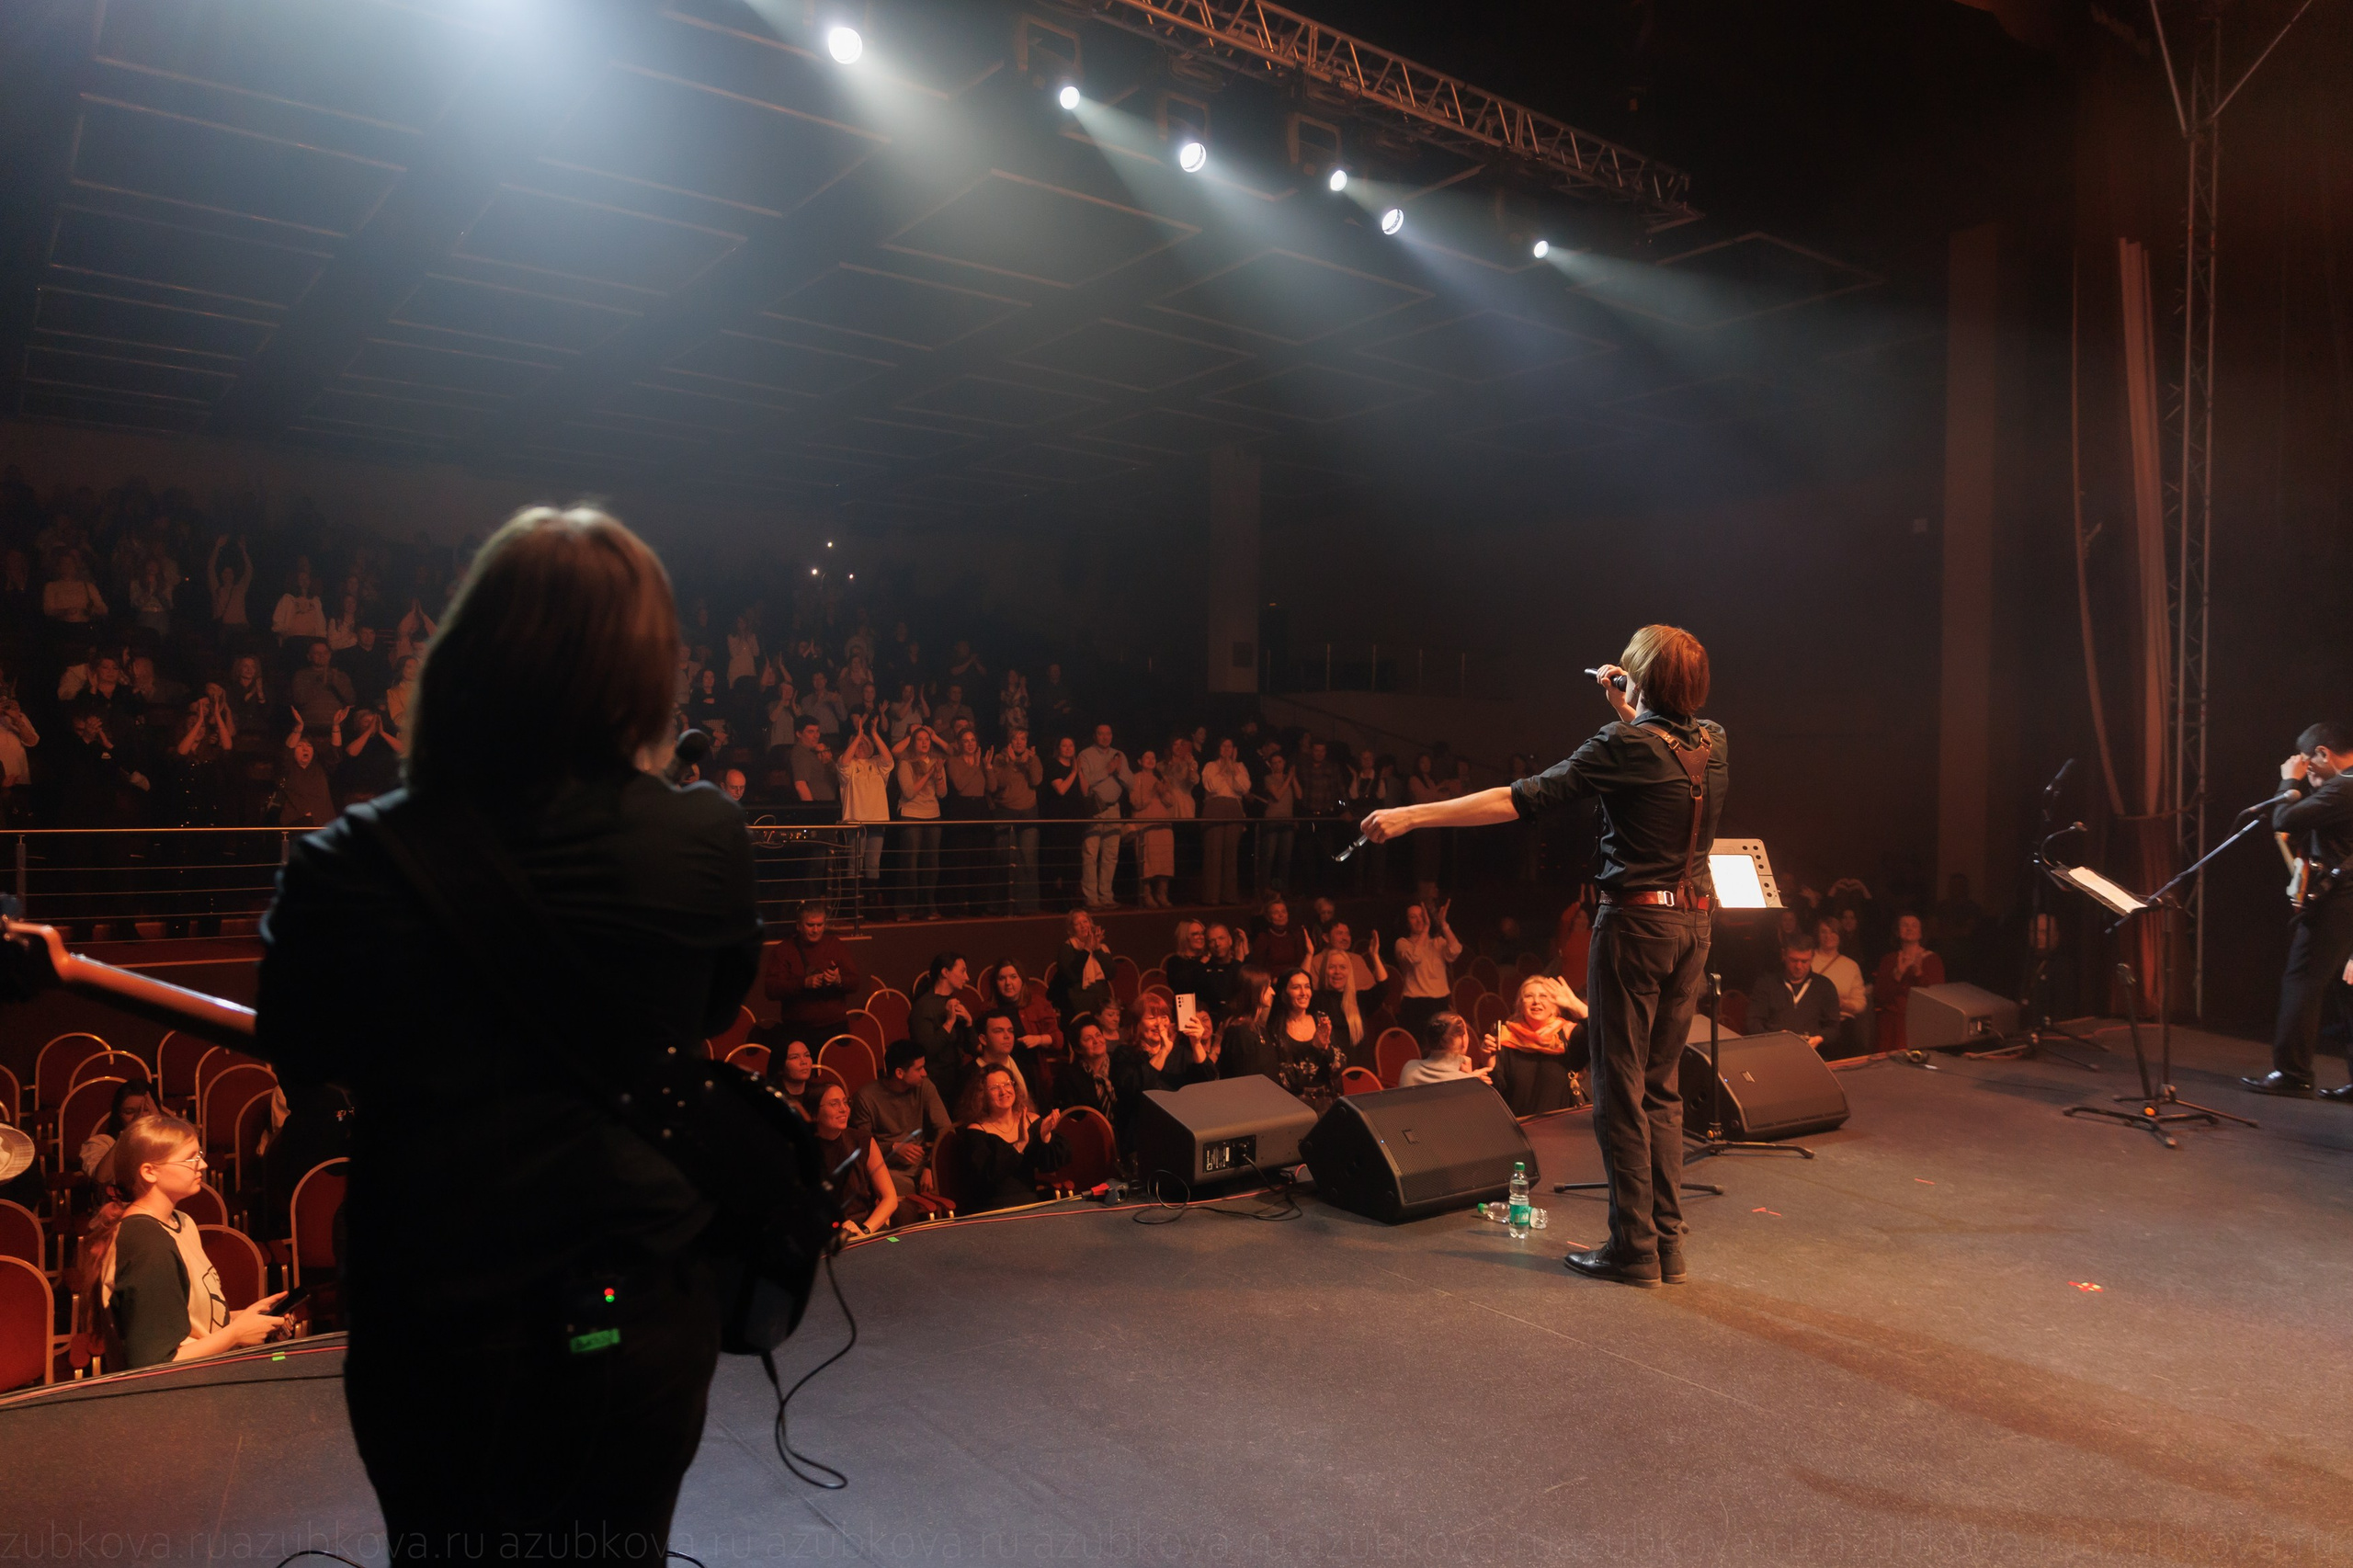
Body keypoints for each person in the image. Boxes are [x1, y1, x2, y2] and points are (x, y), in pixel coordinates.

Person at [256, 506, 759, 1554]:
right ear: (645, 673)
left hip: (435, 1317)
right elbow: (709, 1012)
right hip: (637, 1300)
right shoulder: (705, 833)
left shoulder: (343, 864)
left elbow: (300, 1049)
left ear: (464, 656)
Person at [1366, 624, 1724, 1290]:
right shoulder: (1715, 742)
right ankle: (1667, 1246)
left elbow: (1518, 798)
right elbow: (1662, 749)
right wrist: (1632, 708)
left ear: (1640, 680)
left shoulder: (1623, 744)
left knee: (1618, 1090)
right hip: (1694, 925)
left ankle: (1633, 1250)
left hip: (1638, 927)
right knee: (1660, 1088)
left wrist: (1415, 815)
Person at [82, 1114, 288, 1369]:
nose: (202, 1165)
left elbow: (188, 1323)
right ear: (149, 1172)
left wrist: (247, 1320)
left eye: (199, 1154)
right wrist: (235, 1335)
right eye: (190, 1158)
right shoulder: (147, 1244)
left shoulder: (182, 1222)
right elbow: (155, 1363)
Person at [2245, 721, 2353, 1098]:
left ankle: (2293, 1073)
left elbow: (2284, 820)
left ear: (2323, 753)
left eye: (2309, 763)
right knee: (2348, 988)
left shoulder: (2345, 787)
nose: (2307, 772)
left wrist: (2289, 782)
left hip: (2339, 905)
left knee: (2302, 980)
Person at [957, 1063, 1069, 1211]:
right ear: (982, 1094)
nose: (1003, 1091)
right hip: (993, 1208)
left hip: (1030, 1203)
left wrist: (1045, 1135)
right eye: (995, 1087)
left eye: (1007, 1084)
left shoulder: (1032, 1120)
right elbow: (987, 1177)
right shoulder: (976, 1131)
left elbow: (1050, 1165)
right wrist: (1020, 1144)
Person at [850, 1040, 952, 1200]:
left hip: (923, 1164)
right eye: (919, 1069)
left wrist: (931, 1167)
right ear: (899, 1073)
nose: (924, 1073)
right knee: (903, 1201)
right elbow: (861, 1146)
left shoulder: (924, 1086)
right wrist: (892, 1148)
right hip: (889, 1169)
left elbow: (945, 1129)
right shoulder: (866, 1097)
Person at [761, 901, 861, 1049]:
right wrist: (803, 983)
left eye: (820, 925)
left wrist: (838, 980)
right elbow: (771, 989)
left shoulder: (835, 944)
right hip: (798, 1029)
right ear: (799, 926)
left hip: (834, 1025)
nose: (815, 930)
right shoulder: (784, 950)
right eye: (810, 925)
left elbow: (855, 982)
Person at [1489, 975, 1589, 1114]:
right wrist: (1488, 1059)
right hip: (1520, 1127)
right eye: (1529, 996)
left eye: (1543, 996)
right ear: (1520, 1004)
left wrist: (1575, 1004)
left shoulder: (1569, 1035)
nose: (1536, 1001)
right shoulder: (1506, 1037)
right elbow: (1497, 1090)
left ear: (1555, 1006)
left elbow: (1603, 1036)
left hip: (1561, 1129)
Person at [810, 1083, 897, 1238]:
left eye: (845, 1102)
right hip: (824, 1234)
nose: (844, 1109)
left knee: (897, 1247)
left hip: (866, 1227)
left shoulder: (862, 1140)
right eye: (834, 1104)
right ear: (814, 1113)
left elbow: (890, 1198)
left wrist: (864, 1231)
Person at [1870, 915, 1946, 1054]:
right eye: (1905, 925)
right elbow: (1879, 995)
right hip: (1890, 1027)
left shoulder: (1932, 959)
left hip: (1919, 1024)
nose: (1909, 928)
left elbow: (1938, 998)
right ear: (1897, 931)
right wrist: (1897, 974)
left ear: (1921, 932)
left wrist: (1918, 974)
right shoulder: (1889, 959)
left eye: (1914, 925)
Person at [1077, 723, 1133, 910]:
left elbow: (1131, 783)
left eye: (1108, 733)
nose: (1105, 737)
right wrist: (1107, 771)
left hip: (1114, 810)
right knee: (1091, 854)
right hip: (1095, 808)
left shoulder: (1120, 755)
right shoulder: (1085, 754)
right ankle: (1091, 897)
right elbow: (1085, 781)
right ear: (1095, 736)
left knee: (1111, 855)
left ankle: (1107, 895)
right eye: (1101, 734)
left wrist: (1119, 770)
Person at [989, 728, 1045, 915]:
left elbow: (1036, 780)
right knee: (1005, 860)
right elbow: (999, 783)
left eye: (1023, 739)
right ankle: (1002, 905)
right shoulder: (1000, 758)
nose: (1019, 742)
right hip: (1005, 813)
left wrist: (1031, 760)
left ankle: (1027, 906)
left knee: (1028, 860)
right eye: (1015, 739)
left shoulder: (1032, 758)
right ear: (1009, 741)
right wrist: (1011, 761)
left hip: (1028, 812)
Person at [1751, 937, 1842, 1051]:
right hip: (1774, 1051)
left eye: (1804, 961)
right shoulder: (1767, 983)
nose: (1799, 966)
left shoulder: (1825, 986)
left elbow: (1834, 1028)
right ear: (1784, 955)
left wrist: (1819, 1038)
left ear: (1812, 958)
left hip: (1813, 1054)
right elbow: (1753, 1022)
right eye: (1794, 960)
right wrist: (1774, 1036)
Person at [1390, 898, 1462, 1036]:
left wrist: (1443, 924)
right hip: (1416, 1005)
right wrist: (1426, 930)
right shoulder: (1402, 943)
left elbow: (1455, 950)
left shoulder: (1437, 943)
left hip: (1440, 1003)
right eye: (1413, 917)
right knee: (1419, 1049)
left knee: (1441, 1048)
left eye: (1422, 916)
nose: (1419, 920)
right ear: (1407, 922)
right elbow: (1415, 957)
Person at [909, 952, 977, 1100]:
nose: (967, 977)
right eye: (962, 971)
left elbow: (973, 1048)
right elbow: (925, 1051)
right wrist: (949, 1022)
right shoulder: (923, 1006)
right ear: (945, 972)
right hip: (935, 1084)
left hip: (956, 1079)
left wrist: (969, 1022)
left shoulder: (953, 1002)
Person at [1269, 968, 1344, 1096]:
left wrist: (1326, 1049)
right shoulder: (1275, 1029)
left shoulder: (1321, 1019)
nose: (1304, 993)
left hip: (1327, 1099)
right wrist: (1315, 1049)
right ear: (1284, 993)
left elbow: (1338, 1068)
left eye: (1307, 987)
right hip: (1296, 1105)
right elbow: (1288, 1081)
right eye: (1296, 987)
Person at [1810, 916, 1872, 1058]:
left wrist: (1842, 1004)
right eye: (1824, 932)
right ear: (1817, 935)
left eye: (1833, 932)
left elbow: (1861, 1003)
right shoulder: (1807, 960)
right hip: (1811, 1025)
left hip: (1841, 1028)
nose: (1828, 936)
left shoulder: (1850, 966)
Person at [78, 1078, 159, 1187]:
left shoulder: (175, 1139)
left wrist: (160, 1126)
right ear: (119, 1114)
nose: (139, 1117)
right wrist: (128, 1135)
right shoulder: (101, 1143)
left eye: (146, 1110)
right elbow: (102, 1178)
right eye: (129, 1112)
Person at [1199, 738, 1249, 904]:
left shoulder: (1240, 767)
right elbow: (1210, 786)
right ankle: (1212, 896)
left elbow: (1244, 788)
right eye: (1224, 746)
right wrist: (1222, 769)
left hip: (1234, 809)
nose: (1227, 749)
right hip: (1215, 807)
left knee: (1231, 854)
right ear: (1219, 748)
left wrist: (1233, 768)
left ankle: (1230, 895)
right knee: (1214, 853)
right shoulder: (1210, 766)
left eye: (1230, 746)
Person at [1047, 907, 1113, 1028]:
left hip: (1100, 999)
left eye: (1085, 922)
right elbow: (1072, 975)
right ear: (1072, 929)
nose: (1083, 926)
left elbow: (1111, 973)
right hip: (1076, 1000)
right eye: (1078, 924)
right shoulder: (1067, 948)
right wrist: (1087, 949)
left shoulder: (1102, 947)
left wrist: (1097, 948)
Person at [982, 958, 1063, 1056]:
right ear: (995, 983)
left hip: (1030, 1063)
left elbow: (1058, 1040)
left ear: (1022, 980)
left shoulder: (1037, 1003)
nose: (1008, 983)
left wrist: (1038, 1039)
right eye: (1002, 978)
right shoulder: (989, 1009)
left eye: (1013, 977)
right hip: (1000, 1065)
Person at [1130, 748, 1176, 908]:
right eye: (1146, 757)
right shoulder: (1135, 778)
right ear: (1140, 761)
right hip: (1146, 825)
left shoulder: (1161, 777)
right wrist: (1152, 792)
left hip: (1163, 826)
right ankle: (1146, 895)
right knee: (1147, 862)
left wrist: (1164, 792)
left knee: (1164, 861)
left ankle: (1162, 894)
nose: (1150, 760)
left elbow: (1171, 802)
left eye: (1153, 757)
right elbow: (1136, 802)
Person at [1214, 967, 1279, 1083]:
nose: (1273, 992)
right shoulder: (1239, 1033)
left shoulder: (1259, 1027)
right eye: (1268, 986)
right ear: (1255, 989)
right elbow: (1246, 1084)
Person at [1399, 1011, 1495, 1087]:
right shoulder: (1466, 1083)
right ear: (1463, 1040)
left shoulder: (1409, 1068)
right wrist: (1472, 1082)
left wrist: (1469, 1078)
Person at [1311, 946, 1366, 1060]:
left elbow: (1383, 989)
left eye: (1342, 967)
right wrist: (1308, 955)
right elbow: (1300, 983)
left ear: (1349, 972)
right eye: (1332, 967)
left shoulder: (1359, 999)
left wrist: (1375, 955)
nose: (1337, 972)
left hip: (1357, 1069)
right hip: (1330, 1068)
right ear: (1324, 971)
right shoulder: (1317, 999)